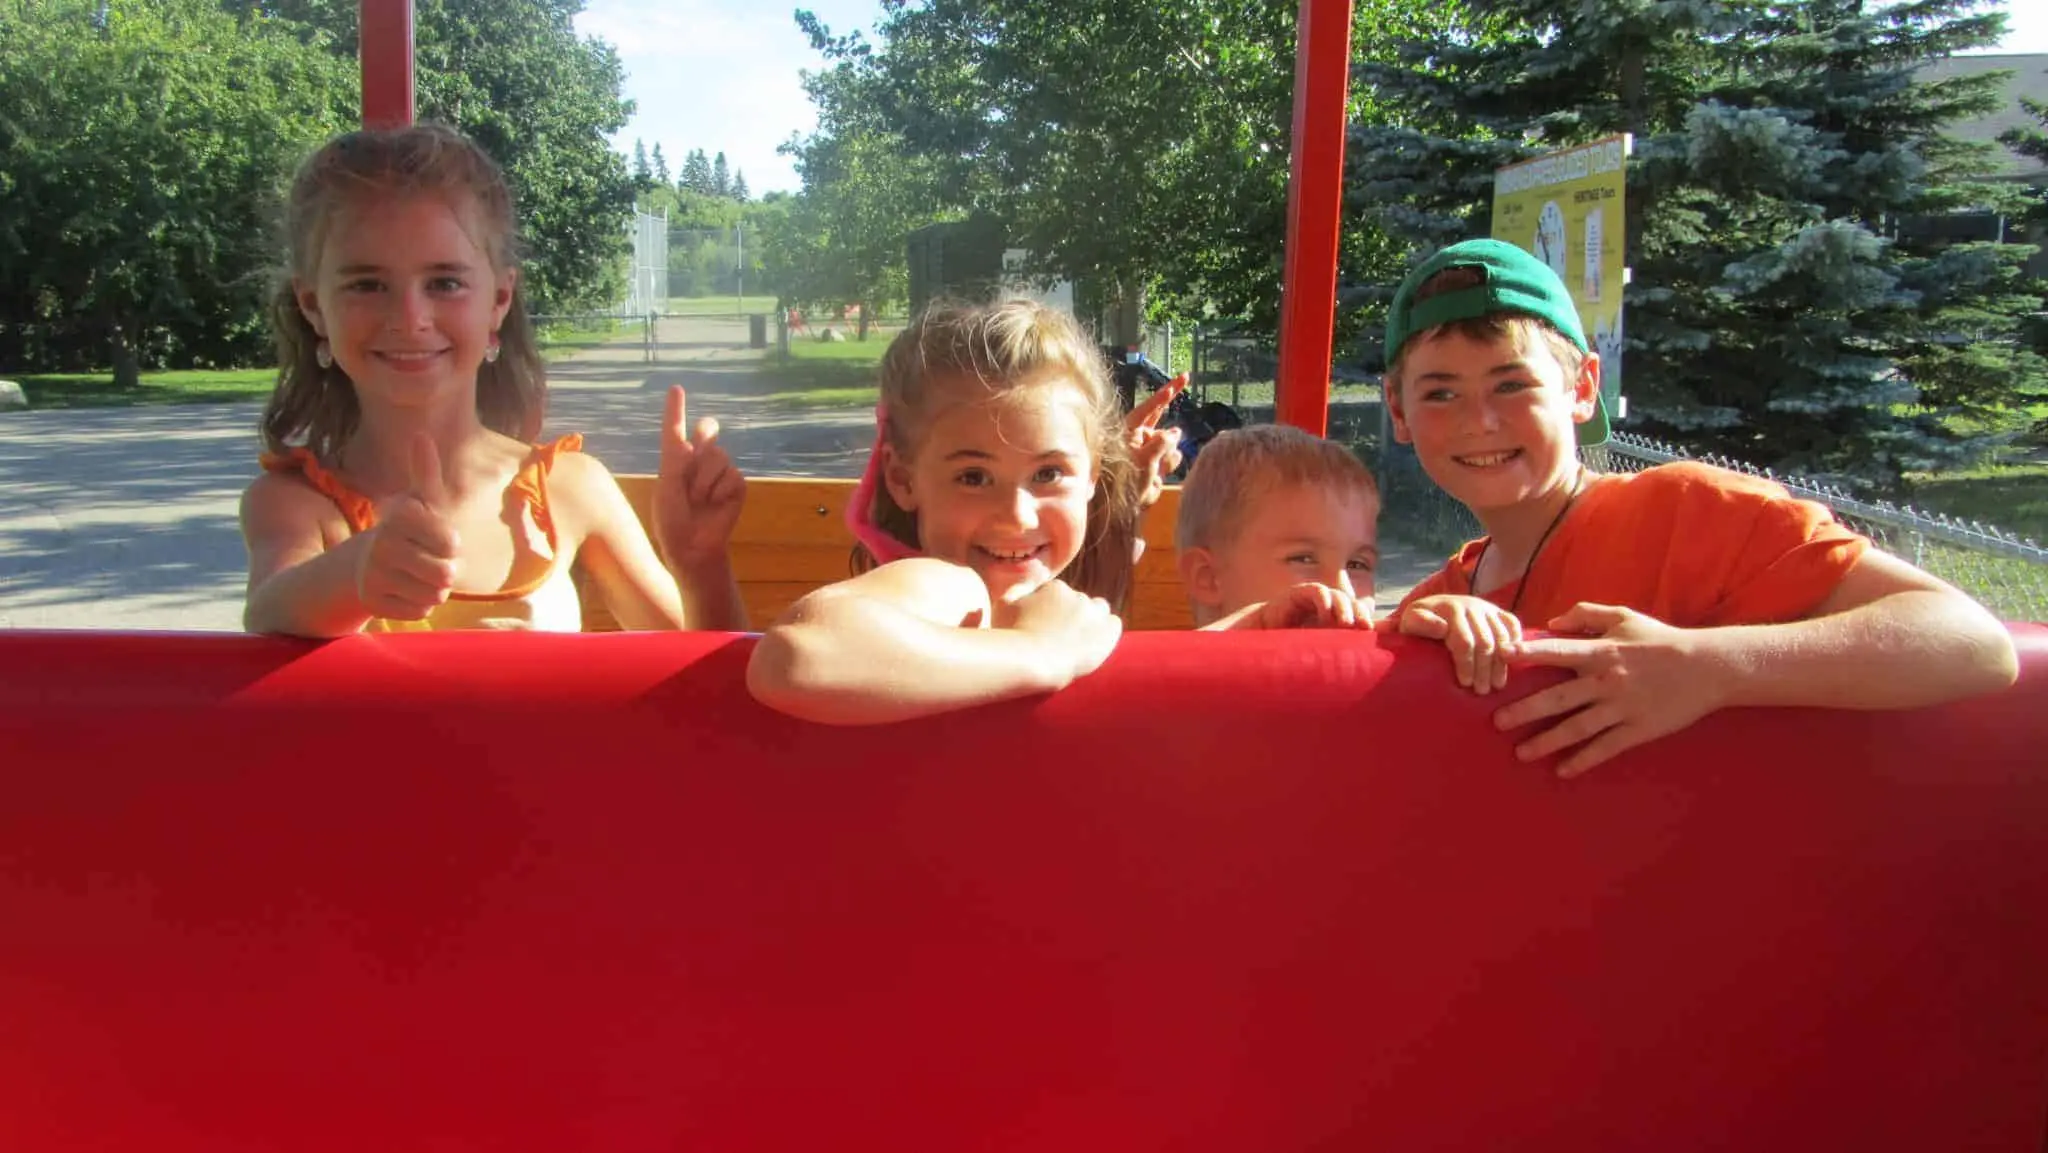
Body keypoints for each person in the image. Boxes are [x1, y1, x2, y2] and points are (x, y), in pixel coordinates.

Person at [1382, 238, 2018, 775]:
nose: (1480, 421)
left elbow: (1971, 643)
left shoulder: (1691, 511)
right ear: (1398, 412)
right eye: (1440, 394)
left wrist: (1709, 666)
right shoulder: (1438, 606)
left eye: (1512, 384)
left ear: (1582, 389)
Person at [240, 123, 747, 637]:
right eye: (367, 285)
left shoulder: (571, 488)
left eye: (445, 283)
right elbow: (267, 615)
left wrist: (700, 567)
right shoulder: (296, 505)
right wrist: (354, 575)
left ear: (499, 300)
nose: (409, 317)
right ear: (313, 307)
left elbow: (705, 680)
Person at [746, 297, 1177, 724]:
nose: (1017, 516)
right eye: (974, 477)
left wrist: (1128, 510)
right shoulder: (954, 588)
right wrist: (1043, 651)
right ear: (902, 479)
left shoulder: (1043, 596)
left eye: (1048, 473)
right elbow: (795, 657)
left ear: (1091, 475)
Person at [1172, 424, 1379, 631]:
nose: (1344, 592)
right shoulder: (1178, 665)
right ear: (1208, 577)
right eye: (1303, 559)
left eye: (1357, 565)